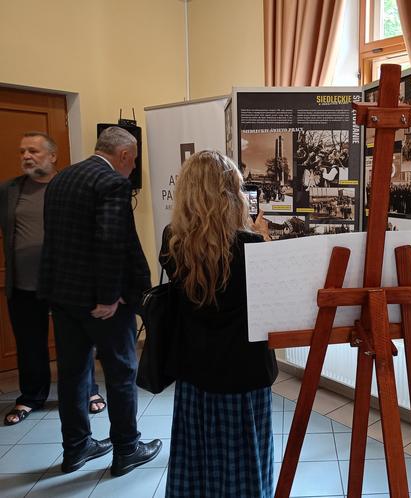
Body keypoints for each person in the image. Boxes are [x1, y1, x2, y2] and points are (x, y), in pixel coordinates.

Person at [39, 127, 161, 474]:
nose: (133, 167)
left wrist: (53, 291)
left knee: (73, 374)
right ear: (123, 155)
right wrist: (109, 298)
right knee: (121, 372)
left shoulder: (61, 180)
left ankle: (76, 448)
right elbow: (110, 243)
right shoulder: (112, 183)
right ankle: (126, 449)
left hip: (64, 297)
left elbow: (56, 241)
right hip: (101, 305)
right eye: (134, 160)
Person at [160, 151, 277, 498]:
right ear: (229, 194)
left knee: (198, 456)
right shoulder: (251, 245)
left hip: (195, 372)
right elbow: (268, 302)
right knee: (244, 458)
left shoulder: (173, 242)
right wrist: (263, 239)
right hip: (245, 372)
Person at [0, 132, 103, 426]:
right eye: (22, 152)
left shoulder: (71, 186)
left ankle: (88, 392)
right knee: (29, 343)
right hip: (23, 284)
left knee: (76, 343)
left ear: (53, 156)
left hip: (67, 283)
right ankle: (31, 396)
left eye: (33, 150)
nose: (26, 157)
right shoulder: (9, 190)